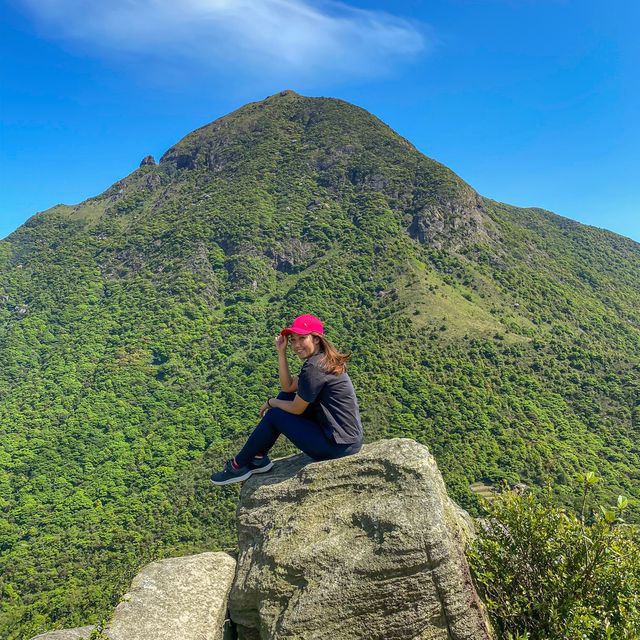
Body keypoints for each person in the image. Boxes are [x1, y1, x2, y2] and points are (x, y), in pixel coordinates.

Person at [211, 314, 363, 485]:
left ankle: (238, 466)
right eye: (293, 340)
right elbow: (288, 387)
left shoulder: (315, 368)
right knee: (285, 397)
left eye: (302, 338)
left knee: (275, 414)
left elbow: (297, 409)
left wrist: (271, 403)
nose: (296, 345)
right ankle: (259, 458)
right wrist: (281, 352)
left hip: (337, 447)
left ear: (316, 339)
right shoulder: (322, 361)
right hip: (346, 439)